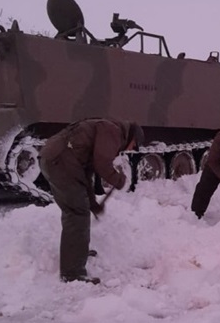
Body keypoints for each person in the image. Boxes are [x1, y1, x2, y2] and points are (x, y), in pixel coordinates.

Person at [39, 118, 144, 284]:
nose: (130, 150)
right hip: (60, 162)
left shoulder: (108, 131)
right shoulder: (113, 132)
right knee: (76, 213)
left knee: (79, 208)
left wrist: (92, 203)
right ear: (132, 138)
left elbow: (87, 173)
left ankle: (77, 252)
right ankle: (72, 273)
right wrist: (118, 179)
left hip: (59, 160)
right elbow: (102, 163)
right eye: (133, 146)